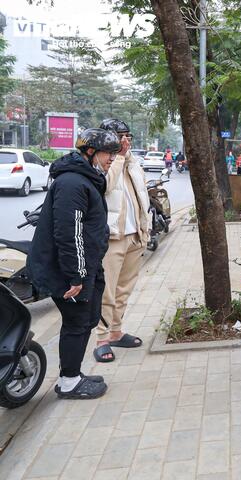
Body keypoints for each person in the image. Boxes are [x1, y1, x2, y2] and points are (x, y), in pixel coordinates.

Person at [27, 128, 120, 399]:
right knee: (76, 323)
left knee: (86, 319)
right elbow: (69, 234)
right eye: (108, 153)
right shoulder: (72, 183)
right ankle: (68, 382)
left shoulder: (86, 178)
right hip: (69, 271)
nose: (112, 159)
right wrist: (76, 276)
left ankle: (73, 374)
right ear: (90, 152)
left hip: (85, 265)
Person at [93, 119, 150, 362]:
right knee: (107, 291)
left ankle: (116, 332)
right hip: (112, 237)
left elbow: (142, 194)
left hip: (134, 234)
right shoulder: (101, 163)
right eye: (120, 137)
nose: (125, 141)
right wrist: (118, 157)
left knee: (124, 290)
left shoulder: (132, 162)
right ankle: (101, 339)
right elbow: (105, 187)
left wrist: (144, 230)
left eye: (128, 136)